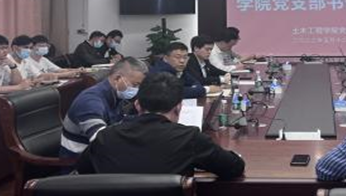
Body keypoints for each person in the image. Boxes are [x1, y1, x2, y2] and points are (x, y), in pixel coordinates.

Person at [76, 72, 245, 177]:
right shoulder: (189, 138)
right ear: (178, 107)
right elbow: (234, 168)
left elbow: (84, 170)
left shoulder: (106, 136)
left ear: (137, 105)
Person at [60, 57, 148, 159]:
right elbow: (102, 141)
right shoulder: (90, 101)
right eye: (135, 85)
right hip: (80, 162)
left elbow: (119, 126)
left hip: (99, 156)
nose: (136, 90)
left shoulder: (116, 96)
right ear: (117, 78)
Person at [150, 42, 221, 98]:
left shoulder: (178, 68)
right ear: (166, 58)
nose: (182, 61)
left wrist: (194, 89)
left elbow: (195, 82)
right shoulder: (160, 72)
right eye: (177, 57)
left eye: (185, 57)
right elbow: (175, 93)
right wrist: (206, 89)